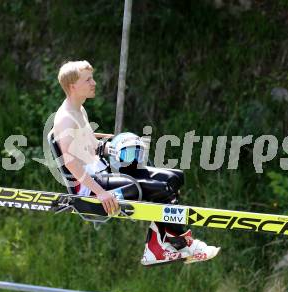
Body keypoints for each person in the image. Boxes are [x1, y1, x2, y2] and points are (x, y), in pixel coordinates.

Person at [53, 60, 220, 265]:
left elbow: (89, 144)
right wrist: (100, 192)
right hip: (91, 187)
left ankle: (162, 245)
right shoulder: (65, 119)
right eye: (88, 80)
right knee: (161, 189)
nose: (94, 83)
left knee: (174, 177)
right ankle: (180, 244)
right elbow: (71, 163)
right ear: (72, 86)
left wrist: (113, 145)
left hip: (103, 172)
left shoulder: (79, 110)